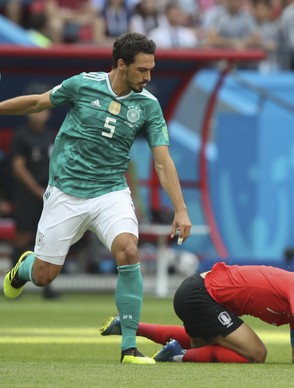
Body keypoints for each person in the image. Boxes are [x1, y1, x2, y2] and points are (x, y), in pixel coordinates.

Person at [0, 32, 193, 365]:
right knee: (46, 276)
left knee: (128, 250)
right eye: (143, 70)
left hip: (111, 192)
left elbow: (162, 160)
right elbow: (36, 103)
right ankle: (24, 268)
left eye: (152, 69)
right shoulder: (82, 85)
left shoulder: (148, 106)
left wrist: (181, 209)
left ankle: (129, 348)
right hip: (66, 192)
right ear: (121, 65)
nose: (149, 77)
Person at [99, 262, 294, 364]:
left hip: (205, 300)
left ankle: (131, 327)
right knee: (256, 353)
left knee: (205, 347)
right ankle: (178, 356)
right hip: (200, 293)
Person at [10, 111, 60, 300]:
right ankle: (15, 282)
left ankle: (47, 288)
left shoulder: (51, 136)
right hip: (27, 195)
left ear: (48, 114)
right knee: (23, 238)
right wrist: (36, 190)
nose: (38, 115)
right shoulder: (21, 136)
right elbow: (18, 167)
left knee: (50, 239)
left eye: (42, 111)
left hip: (49, 195)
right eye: (34, 111)